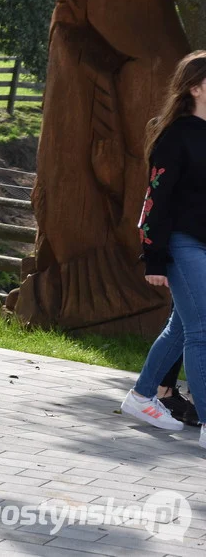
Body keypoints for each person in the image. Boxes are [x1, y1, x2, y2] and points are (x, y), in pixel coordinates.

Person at [120, 50, 206, 446]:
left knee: (181, 327)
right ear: (196, 87)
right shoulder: (175, 136)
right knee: (202, 332)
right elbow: (156, 199)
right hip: (182, 243)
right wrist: (153, 255)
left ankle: (142, 395)